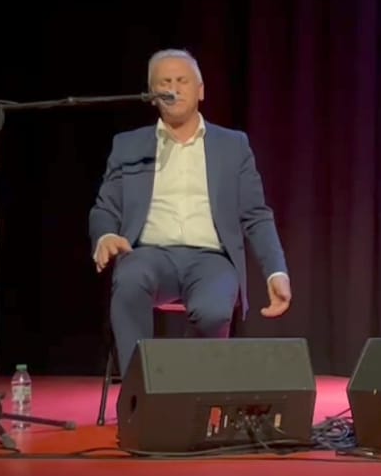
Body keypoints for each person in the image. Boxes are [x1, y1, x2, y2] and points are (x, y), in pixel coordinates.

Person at [89, 48, 292, 376]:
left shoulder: (233, 145)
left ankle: (186, 386)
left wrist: (275, 271)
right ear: (152, 94)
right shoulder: (129, 145)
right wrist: (106, 234)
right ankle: (138, 393)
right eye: (164, 82)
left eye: (182, 81)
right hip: (149, 255)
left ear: (200, 90)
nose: (173, 88)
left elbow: (256, 214)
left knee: (212, 311)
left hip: (211, 259)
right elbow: (104, 208)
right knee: (129, 279)